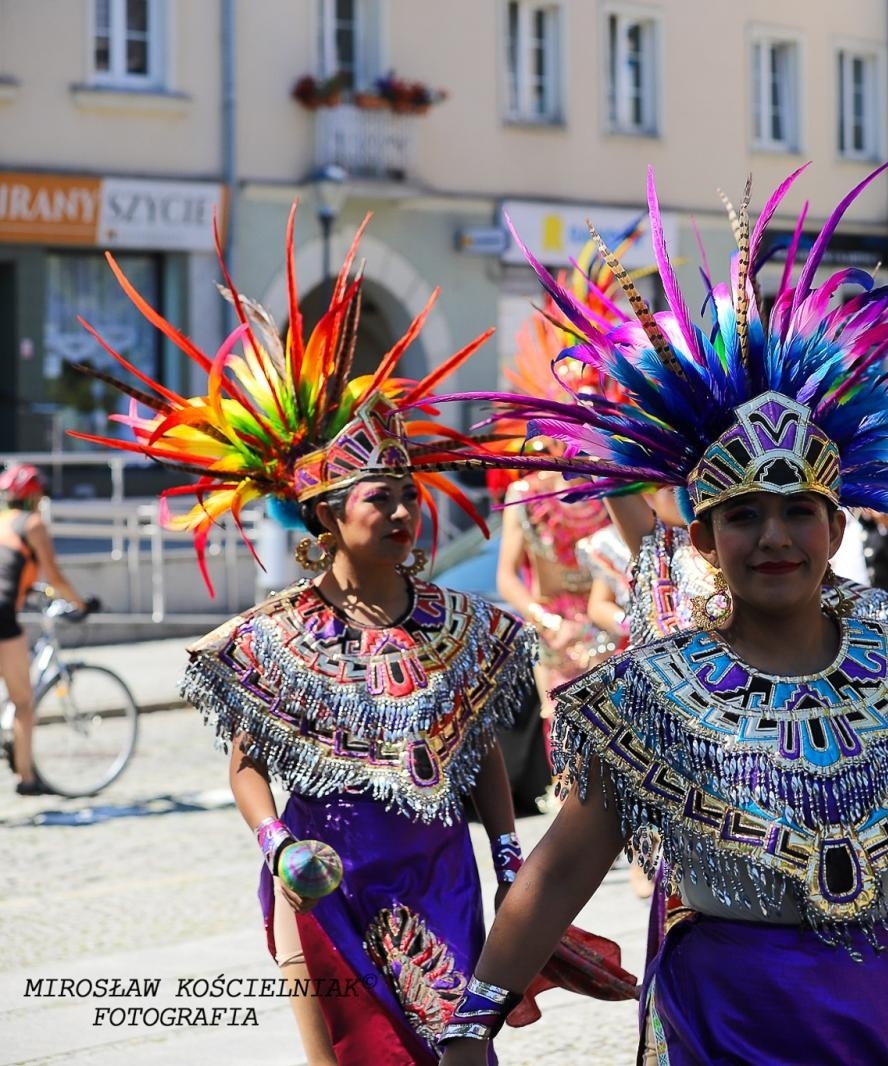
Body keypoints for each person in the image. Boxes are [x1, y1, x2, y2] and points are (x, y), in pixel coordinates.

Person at [434, 168, 888, 1064]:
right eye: (744, 515)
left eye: (797, 512)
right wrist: (474, 1021)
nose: (774, 536)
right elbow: (563, 865)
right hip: (732, 1019)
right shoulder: (650, 698)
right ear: (704, 540)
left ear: (835, 526)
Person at [74, 219, 634, 1064]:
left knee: (458, 1054)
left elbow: (476, 743)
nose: (405, 513)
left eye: (410, 495)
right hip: (320, 880)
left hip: (440, 873)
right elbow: (247, 763)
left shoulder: (465, 629)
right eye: (382, 499)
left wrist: (509, 851)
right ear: (328, 515)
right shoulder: (272, 638)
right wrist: (278, 843)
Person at [0, 464, 89, 796]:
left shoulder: (1, 521)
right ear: (34, 496)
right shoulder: (33, 524)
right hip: (3, 618)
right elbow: (54, 575)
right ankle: (26, 778)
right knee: (23, 701)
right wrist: (80, 605)